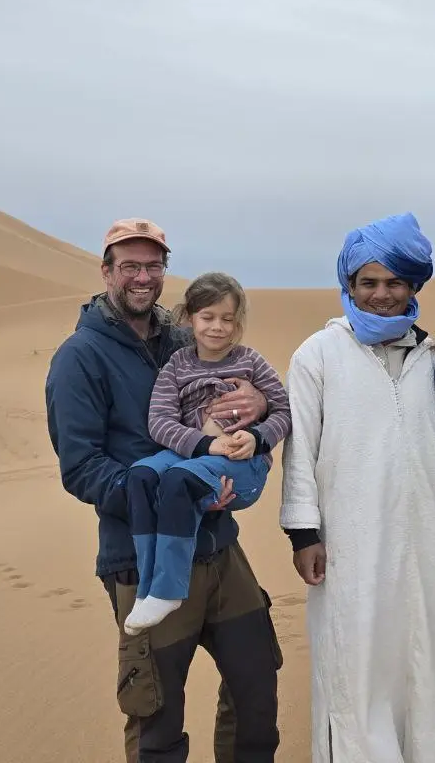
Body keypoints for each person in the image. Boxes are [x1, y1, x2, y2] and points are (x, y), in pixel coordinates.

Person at [45, 218, 283, 763]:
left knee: (256, 693)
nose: (143, 277)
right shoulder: (80, 357)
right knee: (158, 722)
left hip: (219, 545)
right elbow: (80, 467)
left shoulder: (183, 339)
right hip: (139, 557)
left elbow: (245, 393)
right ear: (107, 271)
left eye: (153, 265)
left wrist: (258, 408)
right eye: (129, 265)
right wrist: (159, 492)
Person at [279, 212, 435, 763]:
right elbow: (300, 450)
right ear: (348, 286)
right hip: (351, 544)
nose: (382, 295)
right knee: (359, 665)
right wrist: (303, 532)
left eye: (395, 282)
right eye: (368, 283)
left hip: (433, 543)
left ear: (415, 285)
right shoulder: (317, 355)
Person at [124, 271, 293, 634]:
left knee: (176, 480)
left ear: (238, 322)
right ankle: (148, 587)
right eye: (208, 317)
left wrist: (258, 437)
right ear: (189, 318)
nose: (218, 327)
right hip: (194, 453)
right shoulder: (177, 366)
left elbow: (285, 411)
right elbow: (159, 422)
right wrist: (205, 443)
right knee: (139, 475)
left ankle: (169, 590)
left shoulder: (251, 362)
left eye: (227, 318)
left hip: (240, 464)